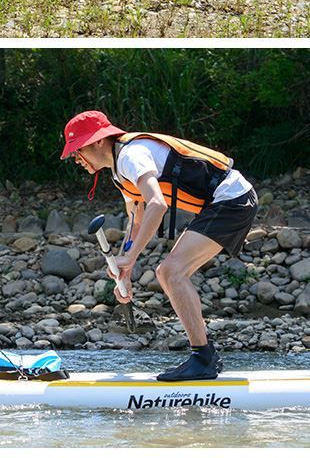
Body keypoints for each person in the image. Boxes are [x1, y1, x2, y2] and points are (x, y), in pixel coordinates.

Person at [60, 110, 258, 382]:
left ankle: (203, 359)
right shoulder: (119, 171)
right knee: (170, 272)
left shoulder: (131, 156)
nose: (76, 158)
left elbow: (157, 204)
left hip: (232, 199)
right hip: (223, 202)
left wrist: (130, 258)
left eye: (77, 150)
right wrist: (124, 270)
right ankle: (205, 357)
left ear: (98, 142)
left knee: (170, 272)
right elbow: (137, 218)